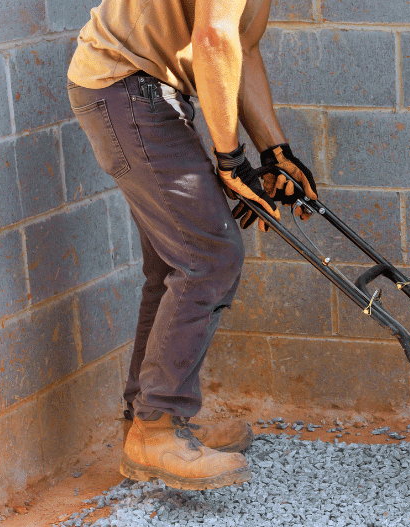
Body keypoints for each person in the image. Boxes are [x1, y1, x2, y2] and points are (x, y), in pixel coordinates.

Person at [67, 0, 317, 490]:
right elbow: (212, 39)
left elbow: (241, 46)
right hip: (125, 86)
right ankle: (156, 427)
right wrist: (231, 160)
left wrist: (275, 151)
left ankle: (148, 421)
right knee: (208, 257)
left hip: (142, 89)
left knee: (174, 264)